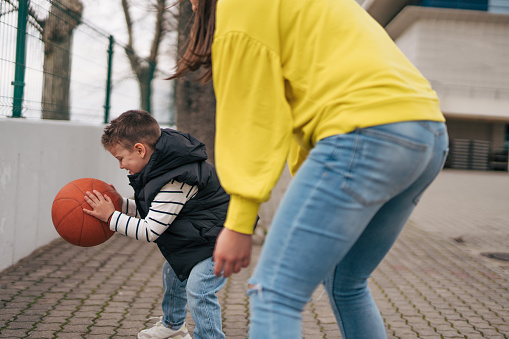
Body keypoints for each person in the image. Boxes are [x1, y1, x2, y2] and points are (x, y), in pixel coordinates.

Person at [170, 0, 450, 338]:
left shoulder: (237, 5)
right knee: (345, 283)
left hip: (365, 133)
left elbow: (253, 118)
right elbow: (296, 117)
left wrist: (239, 222)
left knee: (273, 293)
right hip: (427, 134)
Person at [83, 110, 229, 339]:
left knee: (199, 289)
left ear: (140, 149)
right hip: (203, 234)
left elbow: (151, 230)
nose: (121, 166)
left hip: (224, 239)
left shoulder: (176, 178)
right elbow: (158, 210)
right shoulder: (161, 163)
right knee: (173, 271)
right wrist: (121, 205)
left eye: (121, 158)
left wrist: (111, 218)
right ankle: (173, 327)